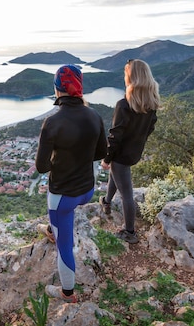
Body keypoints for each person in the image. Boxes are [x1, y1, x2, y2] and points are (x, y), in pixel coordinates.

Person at [35, 65, 107, 303]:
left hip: (63, 197)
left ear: (57, 89)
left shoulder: (52, 122)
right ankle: (52, 230)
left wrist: (60, 158)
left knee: (65, 245)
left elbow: (42, 167)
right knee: (59, 221)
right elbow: (101, 153)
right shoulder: (94, 116)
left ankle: (67, 293)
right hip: (87, 191)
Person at [100, 59, 161, 244]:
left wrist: (106, 158)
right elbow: (150, 128)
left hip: (120, 155)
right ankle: (107, 202)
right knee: (116, 175)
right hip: (134, 153)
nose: (124, 77)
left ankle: (130, 232)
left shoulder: (124, 105)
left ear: (132, 77)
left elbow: (115, 136)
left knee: (127, 194)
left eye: (126, 74)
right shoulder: (151, 103)